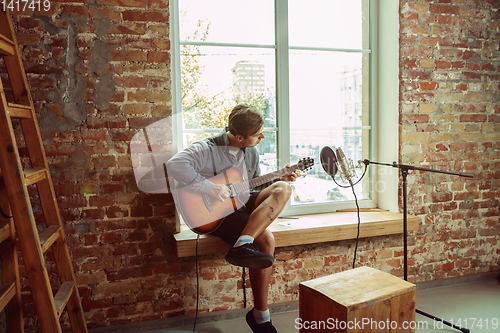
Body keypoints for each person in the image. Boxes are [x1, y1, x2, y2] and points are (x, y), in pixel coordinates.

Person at [166, 104, 300, 333]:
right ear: (239, 136)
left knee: (283, 188)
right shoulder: (206, 148)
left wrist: (280, 175)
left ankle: (243, 244)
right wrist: (208, 188)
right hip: (214, 214)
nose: (262, 137)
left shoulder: (252, 152)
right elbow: (174, 164)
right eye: (257, 134)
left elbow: (252, 185)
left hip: (240, 202)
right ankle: (261, 318)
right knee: (266, 241)